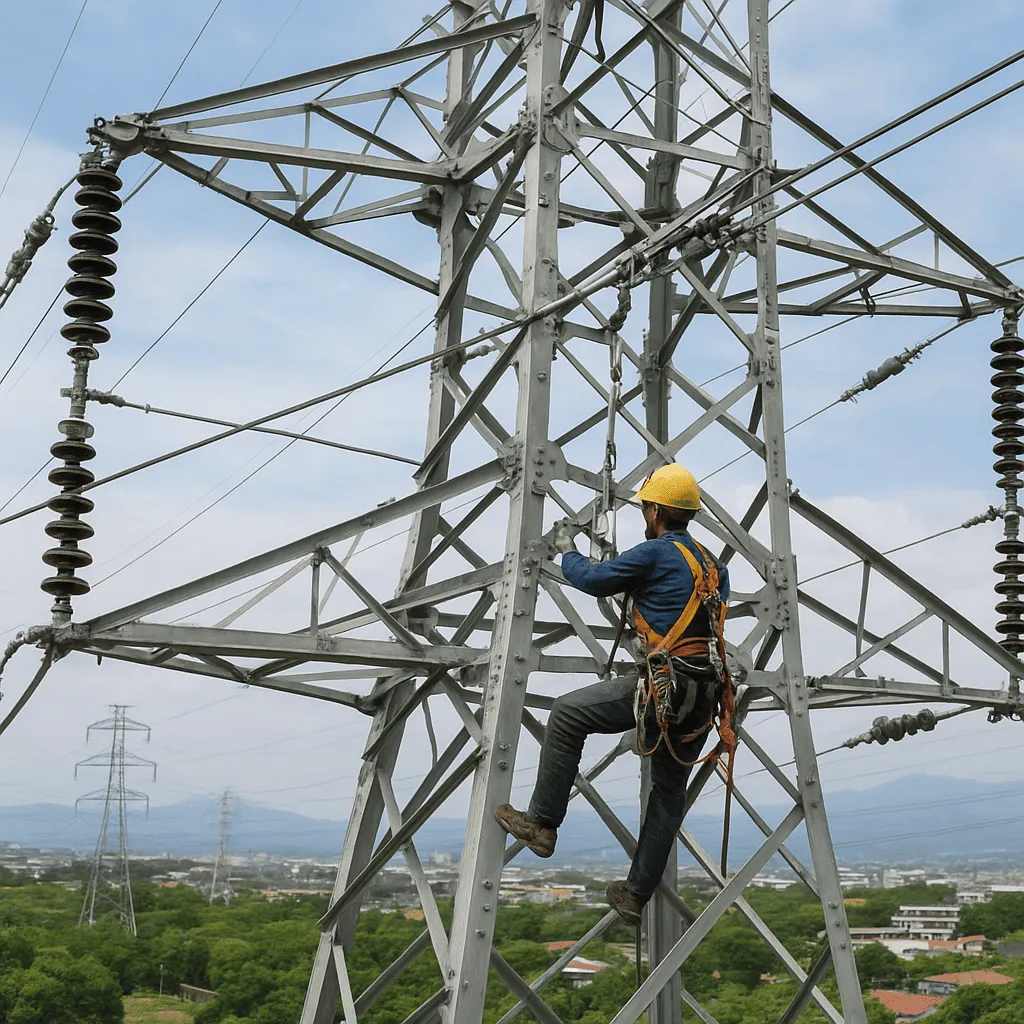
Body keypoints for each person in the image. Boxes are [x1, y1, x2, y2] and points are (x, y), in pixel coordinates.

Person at [494, 463, 731, 925]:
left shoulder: (656, 553)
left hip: (664, 686)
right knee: (669, 792)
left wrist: (567, 549)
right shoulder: (715, 566)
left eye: (646, 508)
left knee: (567, 714)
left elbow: (592, 580)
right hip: (705, 694)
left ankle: (541, 824)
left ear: (655, 511)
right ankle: (635, 895)